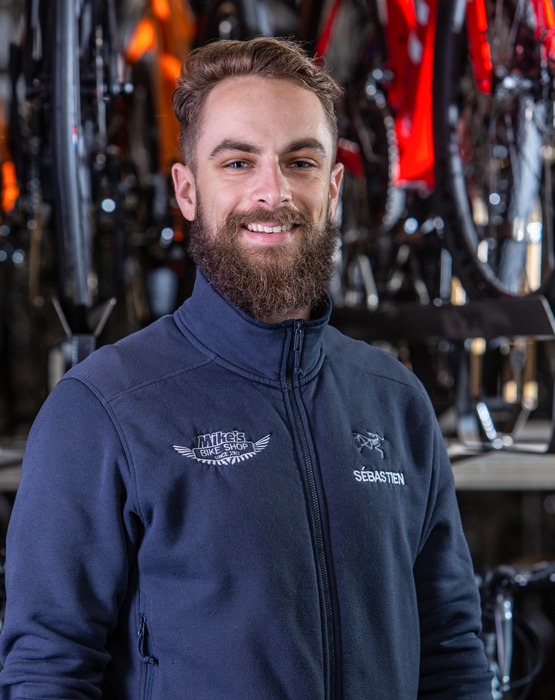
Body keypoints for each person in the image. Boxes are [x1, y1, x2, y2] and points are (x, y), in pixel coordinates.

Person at [0, 37, 492, 698]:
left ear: (333, 188)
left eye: (300, 162)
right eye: (237, 162)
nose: (273, 191)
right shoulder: (103, 407)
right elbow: (48, 670)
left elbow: (451, 651)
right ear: (187, 191)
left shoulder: (395, 401)